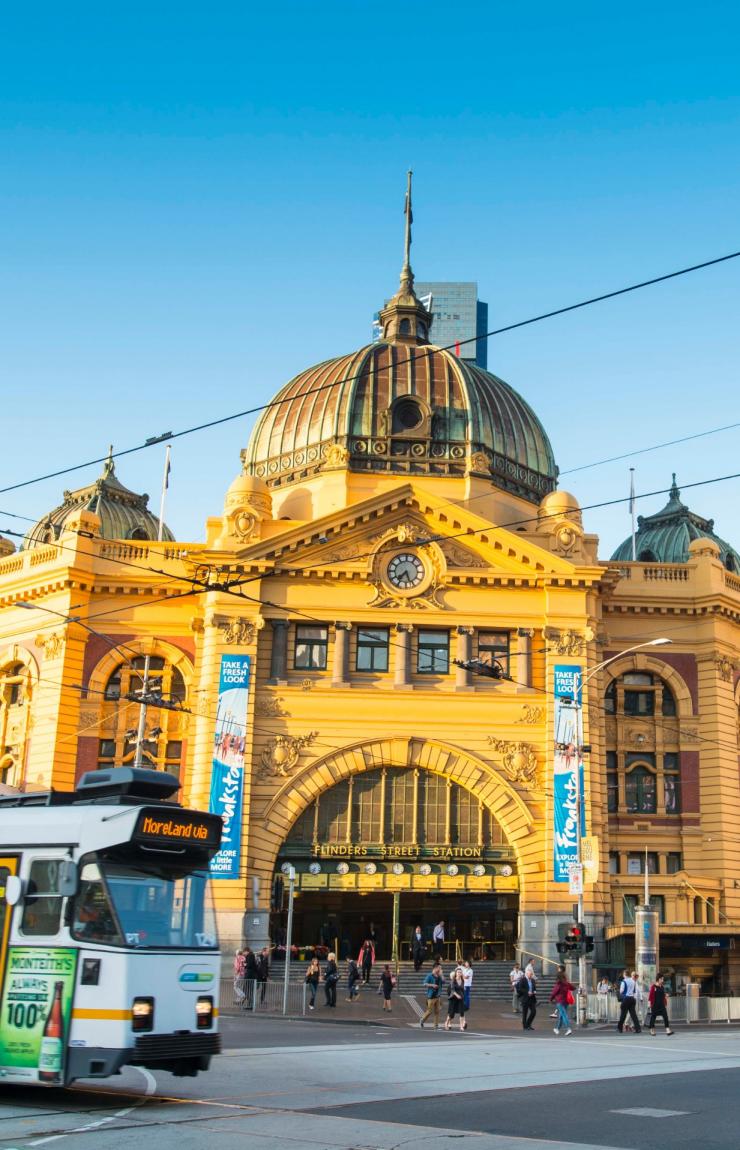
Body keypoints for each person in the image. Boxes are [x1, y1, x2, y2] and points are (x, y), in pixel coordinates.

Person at [550, 967, 574, 1035]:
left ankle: (568, 1028)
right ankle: (557, 1028)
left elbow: (554, 993)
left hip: (560, 1001)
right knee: (561, 1014)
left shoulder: (558, 984)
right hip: (566, 1001)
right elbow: (573, 988)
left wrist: (551, 999)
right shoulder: (566, 983)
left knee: (563, 1014)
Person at [420, 961, 444, 1029]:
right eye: (439, 968)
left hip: (438, 996)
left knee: (437, 1011)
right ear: (435, 968)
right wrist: (432, 985)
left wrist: (442, 975)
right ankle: (422, 1019)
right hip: (431, 996)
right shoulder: (429, 975)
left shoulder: (439, 976)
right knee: (429, 1011)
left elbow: (444, 981)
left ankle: (435, 1025)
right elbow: (424, 983)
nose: (440, 969)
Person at [617, 969, 642, 1034]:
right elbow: (634, 991)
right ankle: (638, 1029)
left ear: (624, 974)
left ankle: (619, 1028)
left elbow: (621, 991)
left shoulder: (624, 981)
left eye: (623, 974)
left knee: (623, 1014)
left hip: (626, 999)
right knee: (633, 1015)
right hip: (632, 999)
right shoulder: (633, 981)